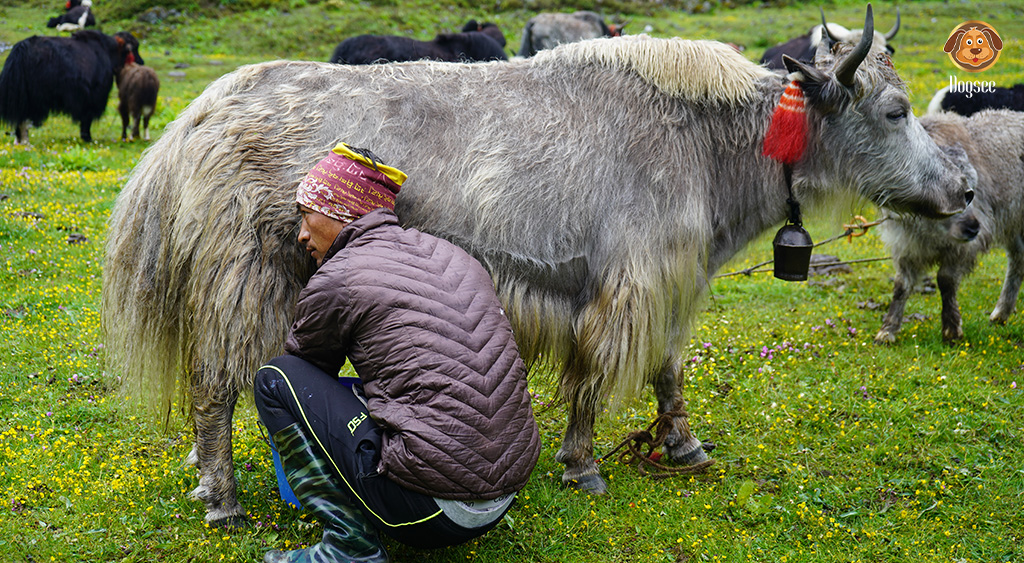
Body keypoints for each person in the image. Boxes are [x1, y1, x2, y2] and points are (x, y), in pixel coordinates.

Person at [253, 143, 541, 563]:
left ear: (338, 210)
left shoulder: (339, 276)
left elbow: (306, 376)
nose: (301, 235)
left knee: (277, 379)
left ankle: (350, 547)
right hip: (504, 493)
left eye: (305, 215)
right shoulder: (453, 255)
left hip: (432, 511)